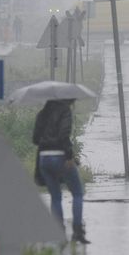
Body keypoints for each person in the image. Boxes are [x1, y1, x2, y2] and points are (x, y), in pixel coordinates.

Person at [33, 98, 88, 243]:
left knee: (55, 197)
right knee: (77, 192)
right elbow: (64, 136)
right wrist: (69, 156)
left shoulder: (42, 114)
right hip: (60, 156)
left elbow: (35, 139)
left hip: (44, 159)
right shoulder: (65, 112)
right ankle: (77, 231)